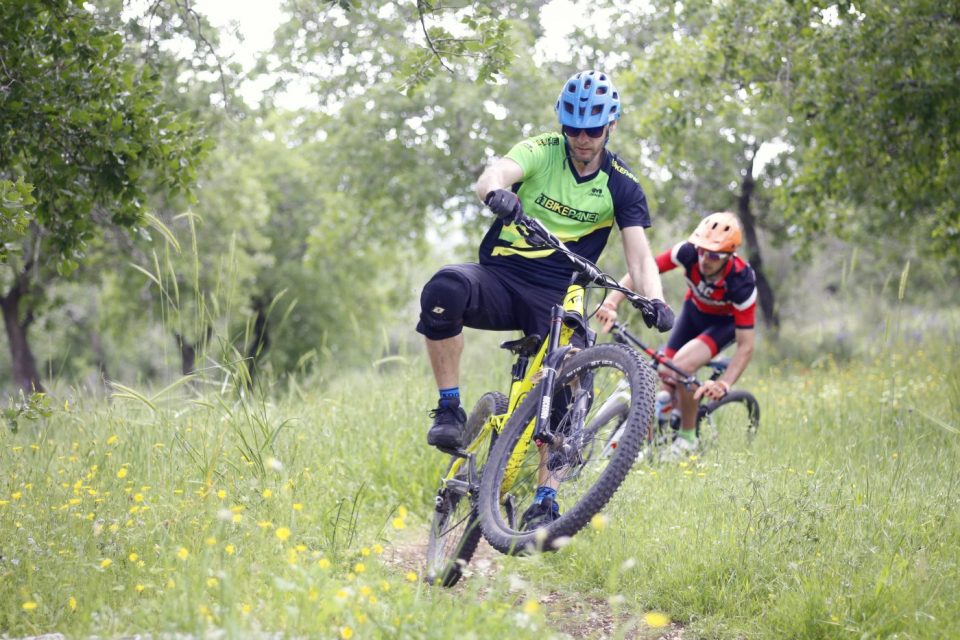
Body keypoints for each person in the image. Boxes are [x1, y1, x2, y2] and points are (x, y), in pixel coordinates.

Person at [417, 69, 675, 458]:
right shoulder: (543, 149)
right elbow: (493, 174)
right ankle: (449, 408)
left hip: (558, 293)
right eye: (573, 129)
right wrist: (495, 193)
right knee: (444, 289)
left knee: (570, 390)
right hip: (502, 276)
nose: (582, 139)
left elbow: (639, 255)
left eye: (593, 130)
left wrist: (656, 300)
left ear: (611, 126)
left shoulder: (622, 184)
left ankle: (546, 490)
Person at [595, 212, 757, 461]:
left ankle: (688, 439)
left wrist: (725, 384)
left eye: (714, 256)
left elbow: (746, 346)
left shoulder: (742, 281)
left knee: (681, 367)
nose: (705, 259)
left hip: (722, 325)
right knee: (663, 371)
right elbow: (643, 270)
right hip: (693, 314)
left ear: (729, 255)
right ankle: (662, 426)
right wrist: (612, 302)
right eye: (702, 251)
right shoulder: (688, 251)